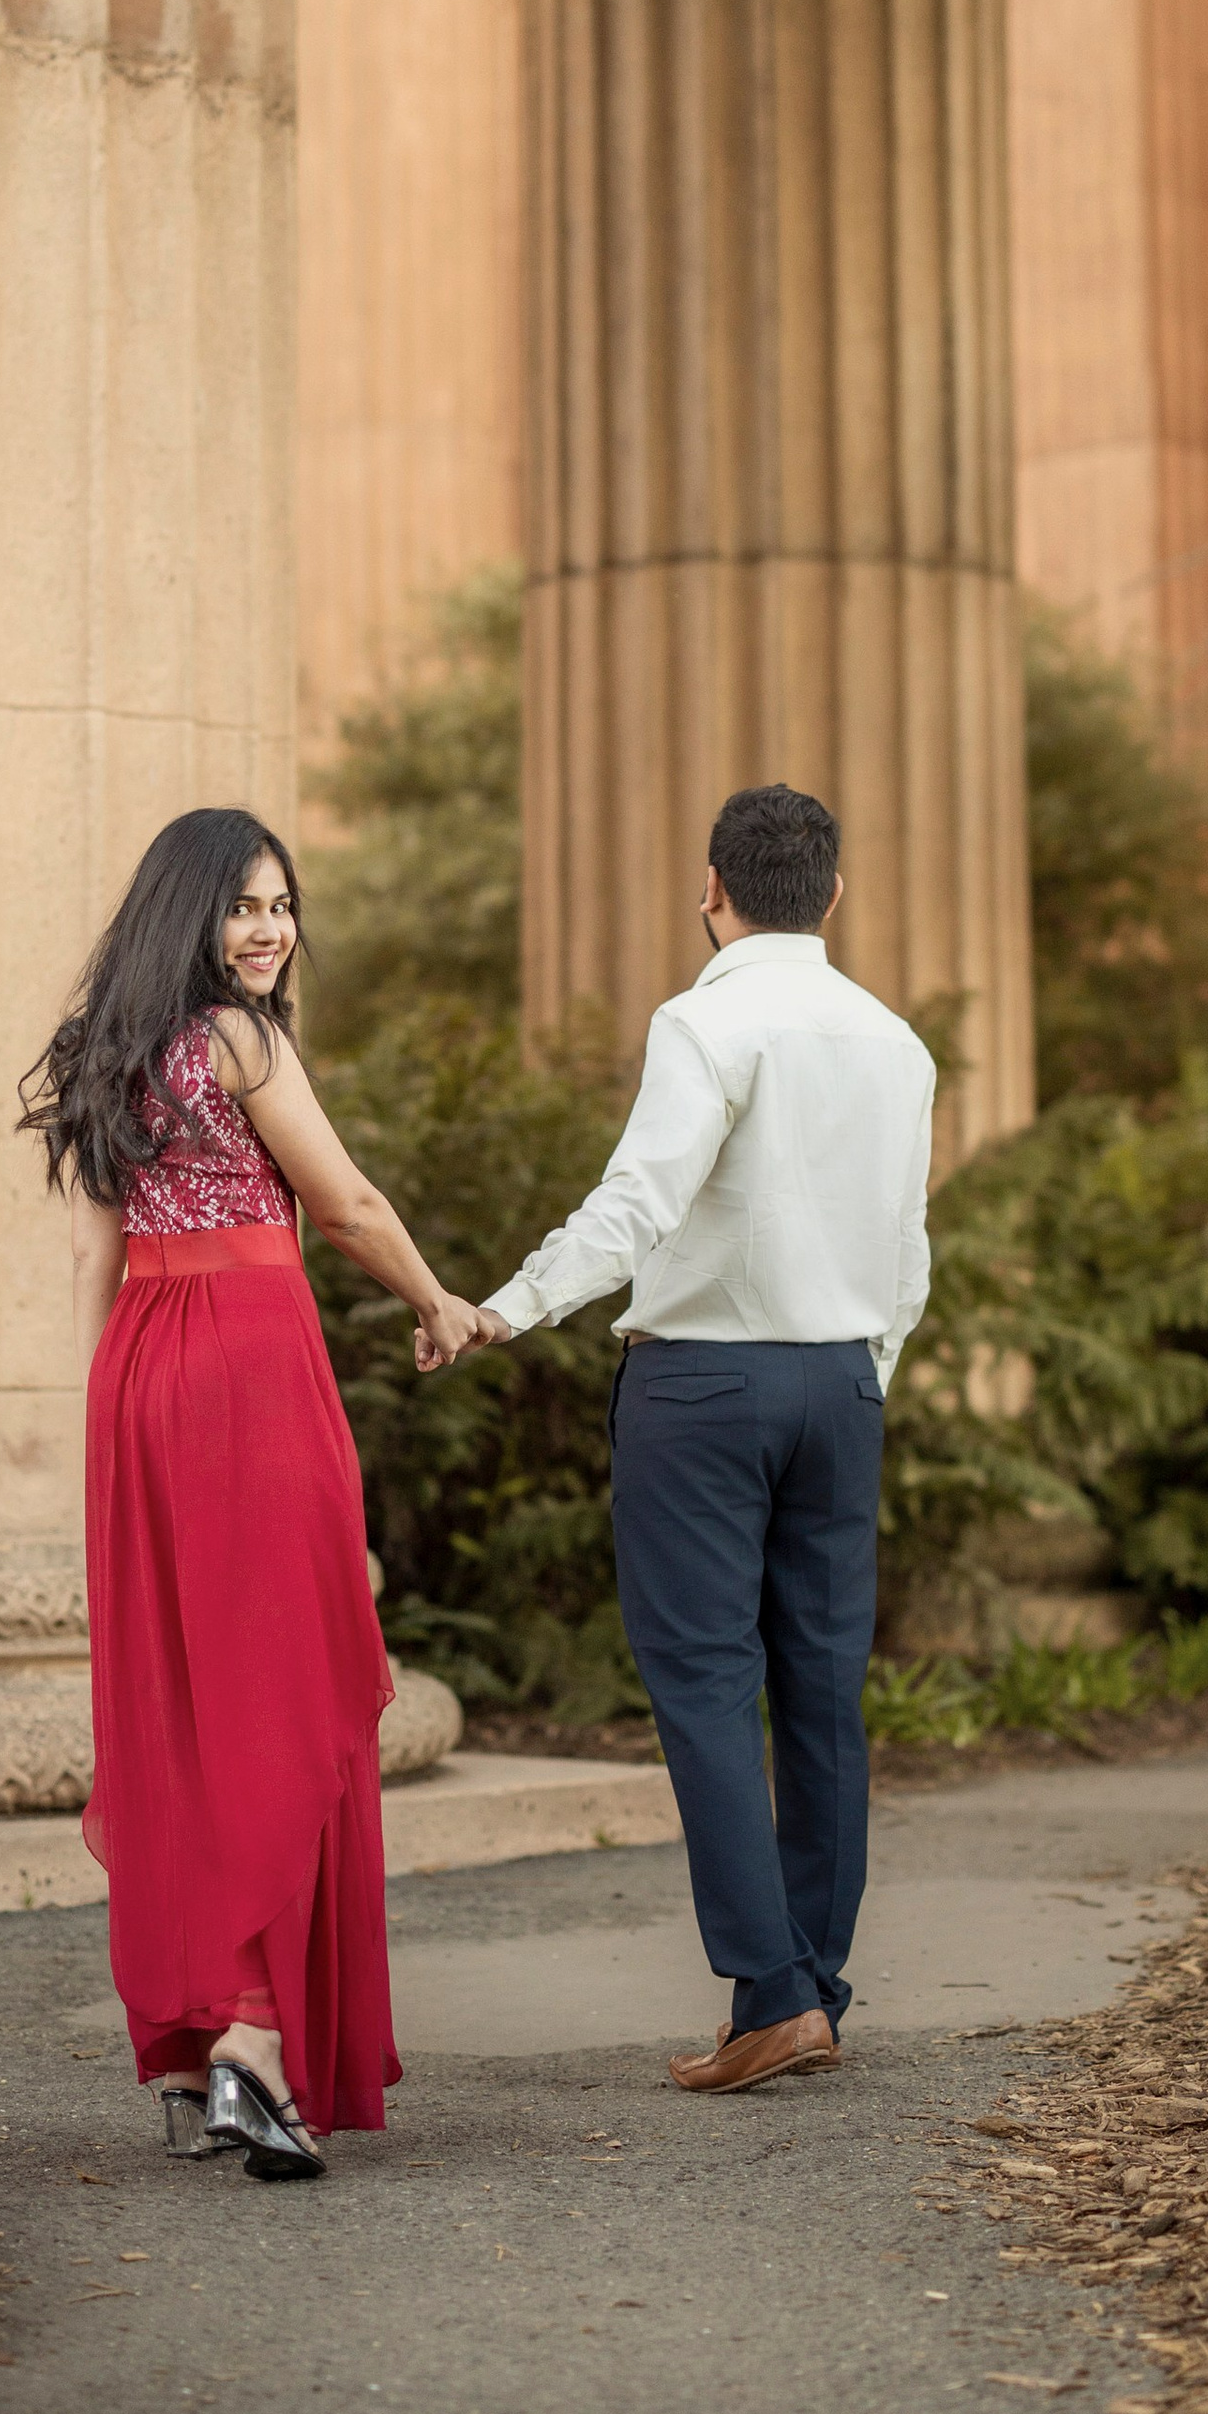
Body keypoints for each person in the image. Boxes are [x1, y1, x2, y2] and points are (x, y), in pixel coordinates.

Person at [20, 809, 485, 2177]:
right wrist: (439, 1301)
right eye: (242, 909)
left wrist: (106, 1416)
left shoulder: (115, 1052)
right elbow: (340, 1203)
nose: (270, 930)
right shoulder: (241, 1039)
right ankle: (255, 2039)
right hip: (247, 1370)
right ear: (192, 921)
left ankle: (193, 2042)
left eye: (282, 904)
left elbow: (101, 1262)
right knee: (279, 1691)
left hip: (143, 1381)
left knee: (188, 1700)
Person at [456, 783, 935, 2094]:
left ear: (711, 891)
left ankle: (773, 1996)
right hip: (840, 1387)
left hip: (705, 1394)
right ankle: (813, 1991)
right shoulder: (897, 1045)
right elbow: (908, 1252)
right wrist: (866, 1370)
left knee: (711, 1683)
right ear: (830, 897)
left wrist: (511, 1304)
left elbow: (638, 1204)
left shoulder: (706, 1019)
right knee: (824, 1691)